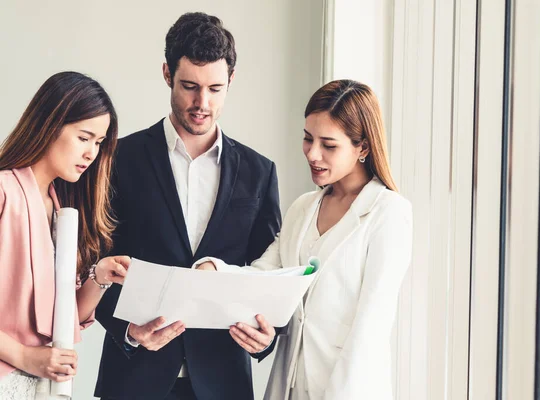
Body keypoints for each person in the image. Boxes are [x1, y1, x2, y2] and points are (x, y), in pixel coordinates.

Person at [94, 12, 282, 400]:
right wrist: (128, 330)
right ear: (167, 73)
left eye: (215, 88)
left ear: (232, 80)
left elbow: (269, 271)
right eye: (189, 87)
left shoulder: (259, 172)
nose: (202, 103)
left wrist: (267, 336)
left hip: (224, 381)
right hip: (133, 379)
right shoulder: (117, 158)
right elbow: (93, 263)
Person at [197, 79, 413, 400]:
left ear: (363, 147)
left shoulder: (388, 212)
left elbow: (371, 325)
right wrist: (215, 271)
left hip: (347, 388)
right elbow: (266, 276)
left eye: (329, 145)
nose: (313, 154)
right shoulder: (303, 208)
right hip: (290, 385)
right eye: (307, 139)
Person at [0, 71, 131, 400]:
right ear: (50, 124)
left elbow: (62, 314)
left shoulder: (64, 210)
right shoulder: (4, 192)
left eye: (99, 143)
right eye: (84, 137)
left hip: (41, 387)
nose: (91, 153)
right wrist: (24, 356)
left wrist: (100, 277)